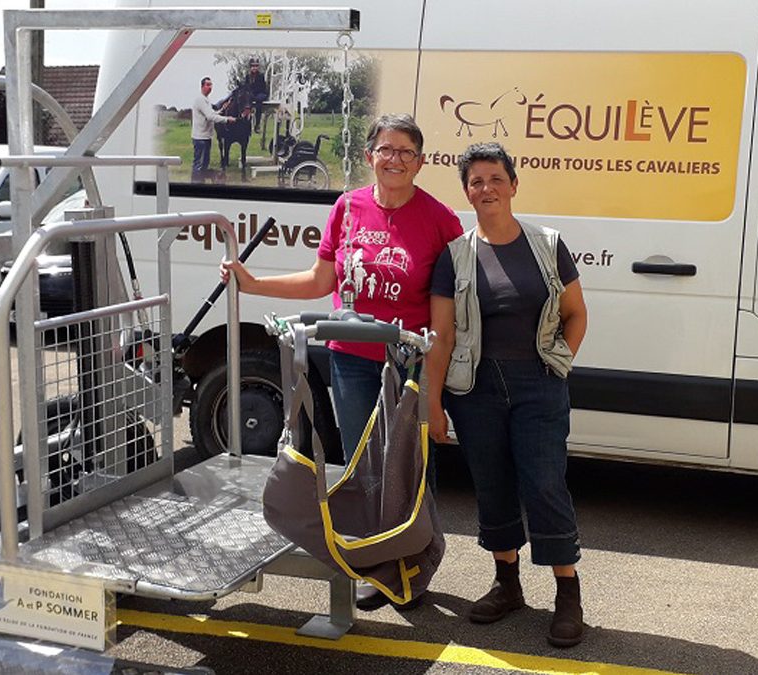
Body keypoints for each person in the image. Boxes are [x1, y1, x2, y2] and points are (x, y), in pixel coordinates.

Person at [221, 114, 463, 608]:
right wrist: (254, 283)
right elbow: (320, 280)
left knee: (410, 468)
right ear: (369, 155)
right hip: (351, 360)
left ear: (420, 162)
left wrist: (434, 394)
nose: (394, 158)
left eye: (406, 151)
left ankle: (416, 565)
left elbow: (444, 323)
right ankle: (379, 567)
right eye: (386, 149)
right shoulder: (347, 207)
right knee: (365, 467)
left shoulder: (442, 221)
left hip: (407, 365)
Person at [427, 142, 589, 647]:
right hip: (476, 389)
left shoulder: (547, 243)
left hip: (537, 385)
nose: (486, 189)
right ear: (467, 192)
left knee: (543, 483)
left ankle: (568, 594)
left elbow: (576, 313)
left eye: (496, 178)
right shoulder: (454, 258)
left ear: (514, 185)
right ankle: (507, 583)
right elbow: (443, 336)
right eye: (476, 181)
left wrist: (557, 366)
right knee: (493, 485)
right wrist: (433, 403)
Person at [191, 77, 234, 182]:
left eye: (211, 85)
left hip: (206, 137)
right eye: (207, 85)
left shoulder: (206, 100)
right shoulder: (200, 100)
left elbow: (211, 114)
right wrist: (227, 119)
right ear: (202, 86)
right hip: (200, 138)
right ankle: (195, 187)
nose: (210, 87)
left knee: (204, 165)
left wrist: (222, 109)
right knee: (199, 165)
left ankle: (200, 184)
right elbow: (210, 117)